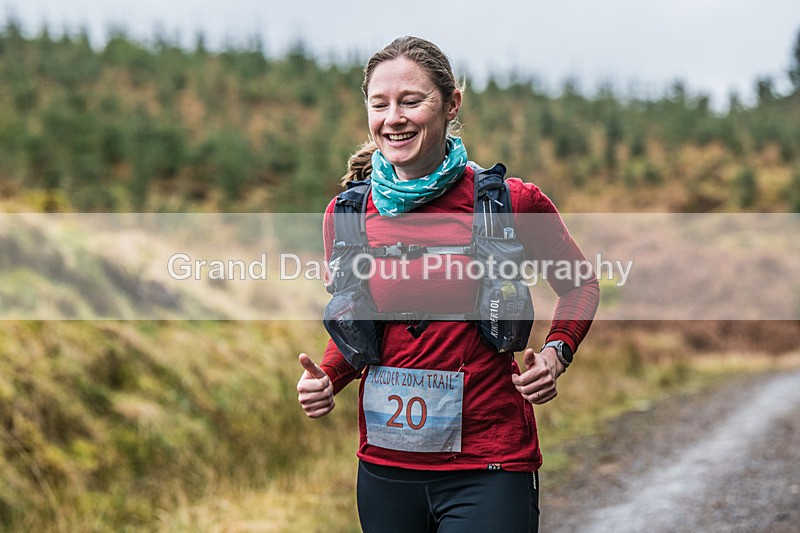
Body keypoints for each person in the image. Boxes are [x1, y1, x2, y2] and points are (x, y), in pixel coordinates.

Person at [297, 36, 600, 532]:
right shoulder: (347, 214)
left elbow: (580, 284)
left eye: (411, 101)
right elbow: (363, 323)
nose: (394, 117)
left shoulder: (509, 202)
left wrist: (554, 354)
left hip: (489, 464)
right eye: (380, 104)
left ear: (451, 103)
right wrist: (327, 379)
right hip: (386, 471)